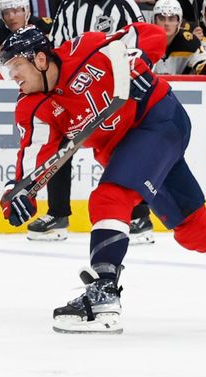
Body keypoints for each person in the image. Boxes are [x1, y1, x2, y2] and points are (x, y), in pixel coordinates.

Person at [0, 24, 206, 333]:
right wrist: (19, 191)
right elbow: (35, 154)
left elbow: (149, 33)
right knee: (191, 227)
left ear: (38, 59)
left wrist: (137, 62)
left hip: (158, 119)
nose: (14, 78)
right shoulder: (32, 107)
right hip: (128, 151)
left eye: (15, 67)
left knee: (110, 197)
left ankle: (103, 292)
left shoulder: (86, 49)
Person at [24, 0, 155, 244]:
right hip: (73, 89)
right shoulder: (66, 6)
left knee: (121, 147)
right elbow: (56, 48)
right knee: (60, 145)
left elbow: (140, 42)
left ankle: (139, 215)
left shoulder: (122, 6)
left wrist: (137, 75)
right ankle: (57, 213)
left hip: (113, 88)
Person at [0, 0, 52, 73]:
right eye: (6, 13)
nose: (11, 17)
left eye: (16, 11)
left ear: (26, 10)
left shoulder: (43, 28)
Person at [151, 0, 206, 75]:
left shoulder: (189, 42)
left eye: (171, 19)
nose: (166, 23)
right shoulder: (143, 42)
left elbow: (205, 66)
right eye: (161, 18)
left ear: (179, 22)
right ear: (154, 20)